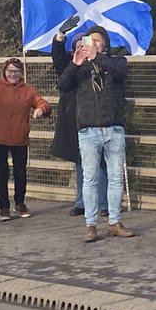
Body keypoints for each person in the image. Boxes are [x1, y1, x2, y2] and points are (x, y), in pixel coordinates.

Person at [57, 24, 134, 242]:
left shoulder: (115, 61)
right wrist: (75, 63)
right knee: (90, 179)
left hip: (113, 127)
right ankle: (90, 225)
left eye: (97, 41)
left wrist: (97, 57)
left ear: (105, 44)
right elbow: (62, 84)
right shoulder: (80, 69)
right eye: (90, 41)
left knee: (115, 177)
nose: (93, 44)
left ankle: (114, 221)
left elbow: (122, 70)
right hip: (88, 129)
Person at [50, 16, 109, 219]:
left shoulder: (97, 63)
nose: (81, 47)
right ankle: (81, 202)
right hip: (73, 118)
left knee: (98, 162)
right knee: (80, 161)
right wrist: (60, 36)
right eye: (78, 45)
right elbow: (58, 58)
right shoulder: (70, 64)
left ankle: (103, 203)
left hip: (93, 117)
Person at [0, 57, 51, 221]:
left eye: (16, 72)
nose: (13, 74)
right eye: (10, 71)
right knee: (2, 172)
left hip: (20, 138)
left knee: (20, 172)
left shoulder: (28, 90)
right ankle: (3, 207)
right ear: (4, 72)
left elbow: (43, 104)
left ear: (21, 73)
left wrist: (40, 110)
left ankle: (20, 203)